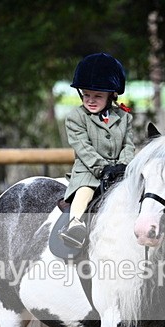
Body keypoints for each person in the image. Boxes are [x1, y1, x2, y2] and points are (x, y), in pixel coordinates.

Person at [60, 52, 135, 248]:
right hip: (89, 172)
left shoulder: (124, 117)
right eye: (86, 95)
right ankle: (74, 226)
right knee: (85, 191)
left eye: (98, 96)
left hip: (120, 172)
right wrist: (102, 169)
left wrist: (124, 166)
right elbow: (83, 149)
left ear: (112, 95)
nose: (91, 100)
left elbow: (128, 144)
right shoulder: (76, 117)